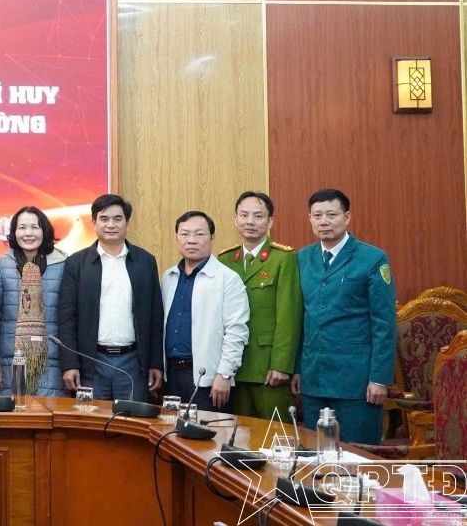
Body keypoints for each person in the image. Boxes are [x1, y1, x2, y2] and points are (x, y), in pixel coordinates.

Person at [294, 188, 397, 444]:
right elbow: (299, 319)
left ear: (347, 217)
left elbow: (384, 323)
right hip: (314, 378)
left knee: (357, 456)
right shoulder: (302, 258)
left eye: (331, 215)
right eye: (317, 215)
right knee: (315, 455)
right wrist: (297, 369)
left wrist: (379, 378)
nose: (324, 221)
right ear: (309, 219)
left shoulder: (372, 258)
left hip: (356, 381)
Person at [58, 194, 164, 403]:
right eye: (104, 219)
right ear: (94, 222)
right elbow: (66, 317)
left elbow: (155, 317)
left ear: (127, 223)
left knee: (132, 421)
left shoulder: (145, 262)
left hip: (133, 363)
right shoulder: (76, 263)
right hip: (91, 363)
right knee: (91, 421)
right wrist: (70, 364)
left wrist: (155, 363)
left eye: (117, 219)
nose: (111, 225)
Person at [216, 191, 302, 422]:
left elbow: (289, 317)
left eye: (258, 216)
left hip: (268, 368)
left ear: (270, 221)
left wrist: (282, 365)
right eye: (244, 215)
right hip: (233, 368)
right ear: (235, 219)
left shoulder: (283, 258)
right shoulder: (225, 260)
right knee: (238, 434)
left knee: (276, 435)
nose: (250, 222)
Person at [160, 210, 250, 412]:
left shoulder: (227, 278)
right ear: (177, 238)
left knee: (208, 430)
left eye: (199, 234)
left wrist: (224, 374)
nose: (191, 240)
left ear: (212, 238)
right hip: (172, 375)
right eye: (185, 234)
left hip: (209, 378)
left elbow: (236, 331)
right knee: (172, 429)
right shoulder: (169, 277)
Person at [0, 206, 68, 397]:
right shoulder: (0, 265)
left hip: (52, 361)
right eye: (22, 227)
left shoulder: (64, 264)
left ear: (45, 231)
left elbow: (69, 318)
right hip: (9, 360)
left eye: (35, 227)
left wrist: (70, 364)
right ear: (14, 232)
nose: (28, 233)